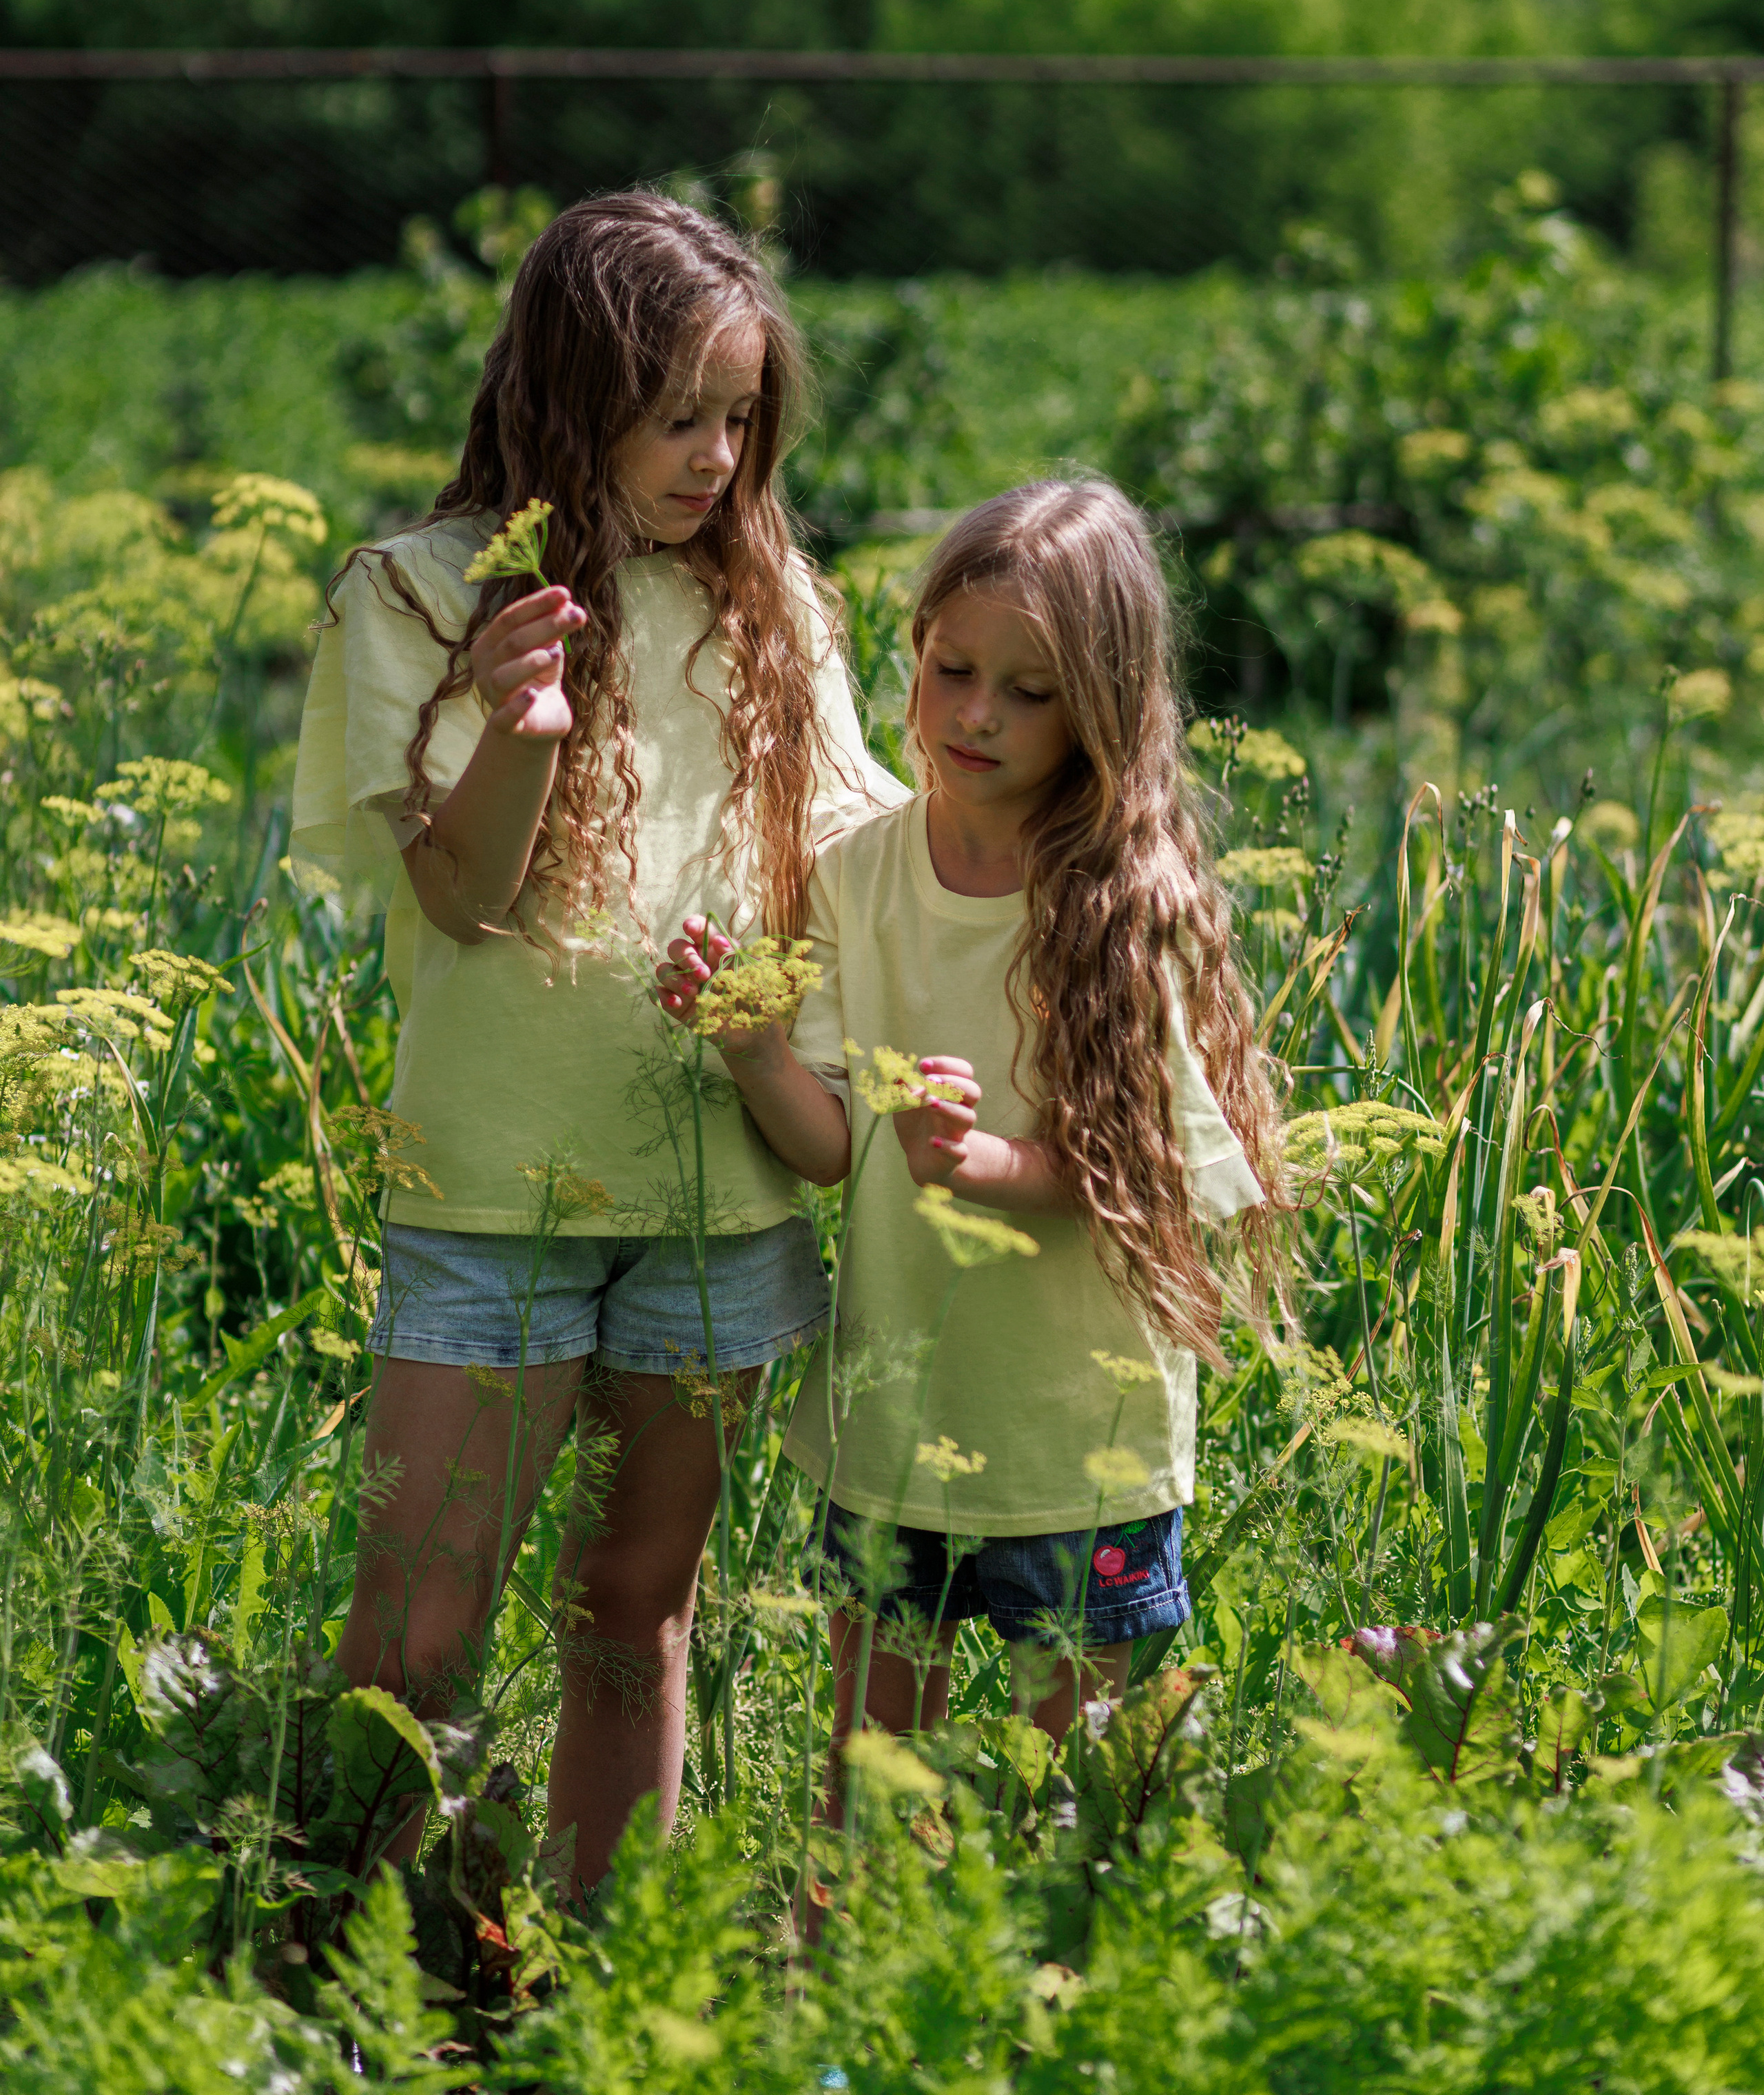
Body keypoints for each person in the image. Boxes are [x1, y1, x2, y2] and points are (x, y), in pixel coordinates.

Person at [290, 191, 901, 1895]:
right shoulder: (420, 593)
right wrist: (512, 720)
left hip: (715, 1196)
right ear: (572, 394)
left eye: (738, 419)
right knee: (420, 1624)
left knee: (637, 1610)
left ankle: (591, 1976)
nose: (715, 458)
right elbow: (469, 899)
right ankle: (352, 1973)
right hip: (488, 1193)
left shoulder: (776, 604)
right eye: (675, 415)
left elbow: (864, 869)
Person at [659, 477, 1289, 1759]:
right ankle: (850, 1964)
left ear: (1103, 707)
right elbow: (834, 1148)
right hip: (894, 1426)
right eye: (953, 670)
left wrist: (998, 1163)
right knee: (870, 1778)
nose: (977, 716)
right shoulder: (858, 874)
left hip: (1077, 1440)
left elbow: (1160, 1166)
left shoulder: (1119, 902)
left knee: (1071, 1793)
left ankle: (1059, 1972)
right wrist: (755, 1052)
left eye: (1030, 691)